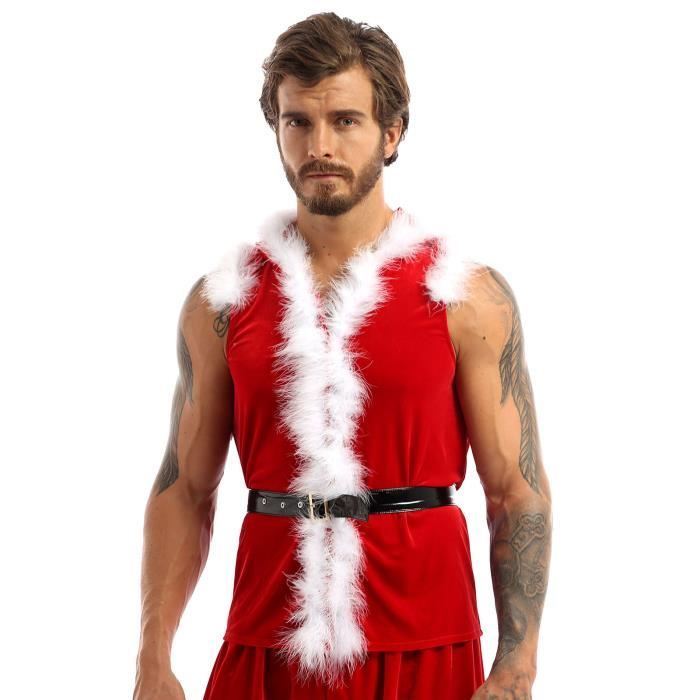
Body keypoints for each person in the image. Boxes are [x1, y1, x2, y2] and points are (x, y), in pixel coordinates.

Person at [133, 11, 553, 700]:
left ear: (392, 133)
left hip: (428, 643)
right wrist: (152, 659)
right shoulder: (222, 304)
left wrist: (516, 668)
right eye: (297, 122)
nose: (319, 145)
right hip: (266, 641)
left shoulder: (468, 298)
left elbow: (516, 492)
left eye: (346, 121)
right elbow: (185, 488)